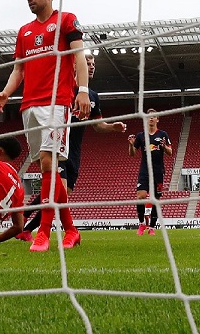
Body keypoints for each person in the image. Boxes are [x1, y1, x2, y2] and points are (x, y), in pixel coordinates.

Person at [0, 0, 90, 252]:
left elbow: (80, 57)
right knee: (46, 168)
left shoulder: (67, 20)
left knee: (49, 163)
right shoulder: (24, 31)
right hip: (28, 105)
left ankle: (44, 234)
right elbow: (18, 70)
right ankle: (71, 230)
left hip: (57, 102)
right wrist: (5, 92)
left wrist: (82, 90)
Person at [16, 52, 127, 242]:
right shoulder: (61, 88)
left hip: (74, 151)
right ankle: (45, 231)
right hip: (57, 145)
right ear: (74, 65)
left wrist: (112, 127)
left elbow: (97, 125)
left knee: (61, 193)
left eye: (93, 64)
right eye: (88, 63)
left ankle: (27, 224)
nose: (92, 67)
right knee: (59, 190)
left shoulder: (92, 96)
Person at [128, 108, 173, 236]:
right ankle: (142, 224)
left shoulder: (163, 134)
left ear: (157, 119)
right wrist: (131, 145)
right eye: (149, 117)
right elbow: (132, 154)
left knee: (155, 200)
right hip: (144, 171)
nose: (151, 118)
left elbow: (170, 152)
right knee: (140, 197)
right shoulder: (141, 136)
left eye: (154, 116)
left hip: (158, 171)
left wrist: (164, 147)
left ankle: (152, 227)